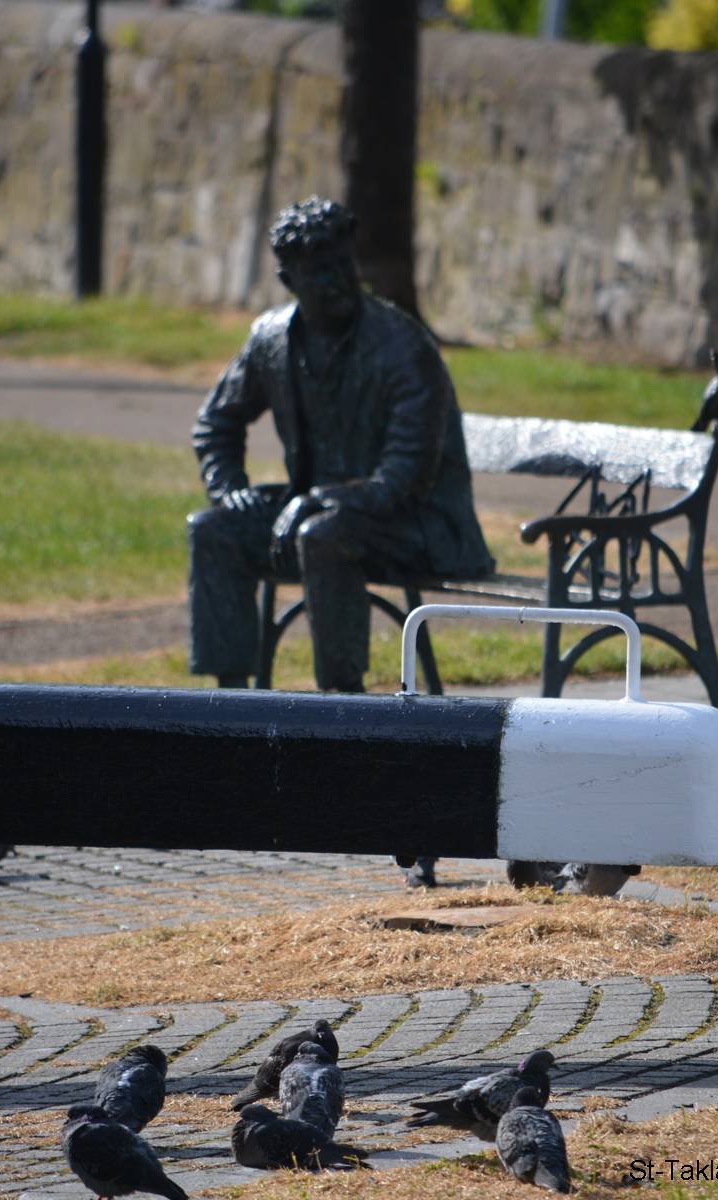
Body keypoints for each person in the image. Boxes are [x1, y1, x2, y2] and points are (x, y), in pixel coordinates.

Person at [186, 196, 494, 888]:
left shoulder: (403, 346)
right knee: (214, 530)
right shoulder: (271, 338)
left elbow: (405, 479)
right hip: (322, 516)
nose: (333, 280)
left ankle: (345, 721)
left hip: (420, 526)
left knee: (324, 537)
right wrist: (230, 488)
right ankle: (229, 720)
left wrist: (316, 500)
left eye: (340, 264)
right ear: (288, 279)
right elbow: (216, 424)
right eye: (315, 269)